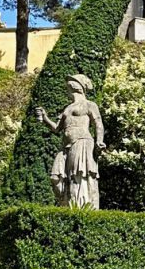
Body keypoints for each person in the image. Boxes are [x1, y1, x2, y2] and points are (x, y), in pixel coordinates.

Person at [37, 74, 104, 209]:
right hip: (66, 147)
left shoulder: (89, 105)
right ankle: (66, 205)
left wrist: (99, 141)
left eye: (69, 84)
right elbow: (57, 128)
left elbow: (98, 124)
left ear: (76, 86)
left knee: (78, 176)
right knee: (56, 177)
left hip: (82, 143)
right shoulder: (68, 108)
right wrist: (45, 118)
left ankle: (81, 208)